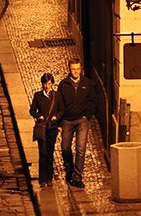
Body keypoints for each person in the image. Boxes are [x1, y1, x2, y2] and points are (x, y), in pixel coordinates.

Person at [58, 57, 97, 189]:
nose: (76, 71)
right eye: (73, 69)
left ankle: (77, 175)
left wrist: (87, 116)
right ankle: (69, 170)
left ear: (81, 69)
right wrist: (59, 122)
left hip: (82, 120)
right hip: (67, 120)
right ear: (69, 69)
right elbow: (59, 103)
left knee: (81, 148)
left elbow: (92, 100)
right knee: (65, 147)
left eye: (78, 69)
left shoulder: (87, 83)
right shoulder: (63, 84)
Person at [29, 73, 64, 188]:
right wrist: (39, 116)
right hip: (42, 128)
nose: (47, 86)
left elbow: (62, 110)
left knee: (50, 153)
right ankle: (42, 179)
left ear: (52, 84)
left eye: (49, 83)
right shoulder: (38, 96)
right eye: (45, 83)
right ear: (42, 84)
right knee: (42, 153)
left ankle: (49, 178)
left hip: (52, 128)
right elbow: (32, 110)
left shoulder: (57, 96)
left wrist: (57, 118)